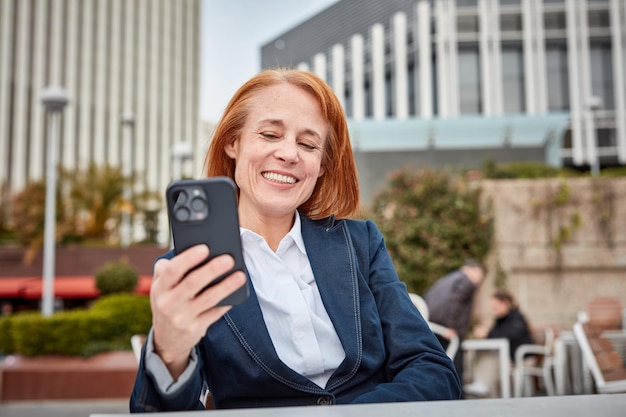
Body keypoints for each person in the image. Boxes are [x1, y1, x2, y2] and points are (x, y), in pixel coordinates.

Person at [129, 68, 461, 411]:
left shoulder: (361, 244)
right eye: (270, 134)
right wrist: (169, 352)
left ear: (321, 166)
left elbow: (433, 371)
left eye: (308, 144)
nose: (290, 154)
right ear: (233, 142)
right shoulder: (189, 267)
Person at [422, 260, 485, 386]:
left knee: (438, 363)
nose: (480, 280)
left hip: (433, 326)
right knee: (456, 367)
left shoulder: (447, 279)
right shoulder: (466, 281)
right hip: (447, 330)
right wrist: (451, 325)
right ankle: (457, 399)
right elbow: (455, 301)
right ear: (475, 271)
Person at [463, 290, 534, 397]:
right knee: (485, 353)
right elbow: (494, 335)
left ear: (505, 303)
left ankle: (483, 385)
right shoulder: (500, 319)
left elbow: (509, 335)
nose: (494, 310)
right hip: (508, 356)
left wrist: (486, 334)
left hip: (520, 357)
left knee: (491, 358)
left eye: (496, 307)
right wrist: (485, 333)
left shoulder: (516, 317)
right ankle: (482, 384)